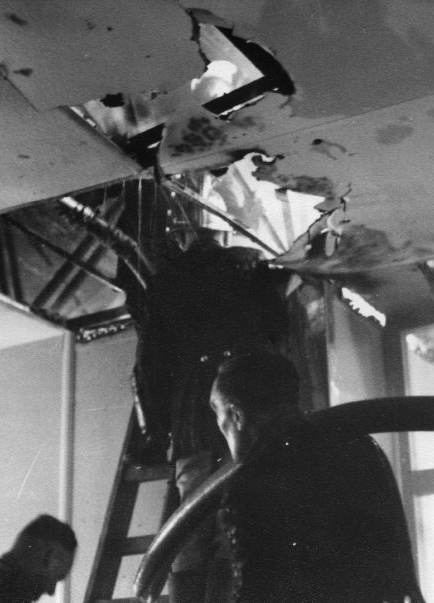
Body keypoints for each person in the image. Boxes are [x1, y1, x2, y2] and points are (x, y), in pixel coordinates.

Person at [135, 228, 288, 602]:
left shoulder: (168, 283)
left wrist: (156, 432)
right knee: (238, 528)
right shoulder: (252, 269)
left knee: (191, 533)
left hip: (194, 423)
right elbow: (279, 335)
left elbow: (149, 366)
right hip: (250, 414)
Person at [210, 351, 425, 602]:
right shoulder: (360, 448)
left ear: (237, 416)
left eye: (218, 413)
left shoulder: (248, 486)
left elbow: (255, 591)